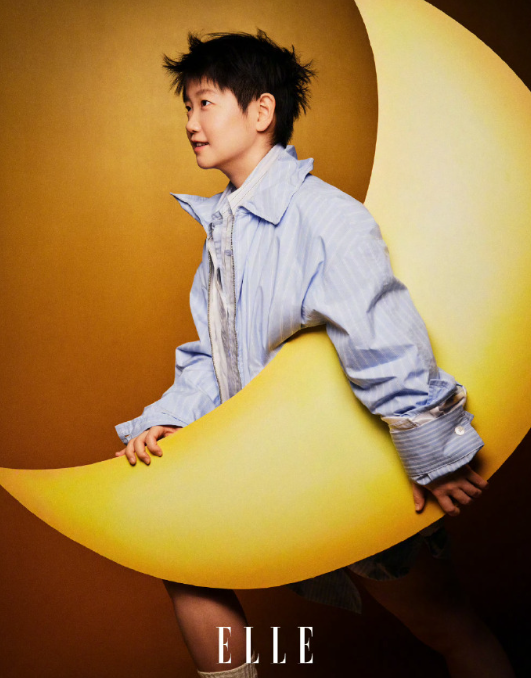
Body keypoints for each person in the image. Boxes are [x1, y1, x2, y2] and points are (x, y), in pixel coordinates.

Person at [114, 30, 514, 678]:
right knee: (175, 548)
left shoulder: (326, 217)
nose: (190, 123)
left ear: (261, 111)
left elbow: (381, 334)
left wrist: (433, 453)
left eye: (205, 103)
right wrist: (170, 420)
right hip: (268, 471)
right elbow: (213, 354)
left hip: (349, 470)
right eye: (186, 107)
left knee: (449, 629)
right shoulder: (224, 229)